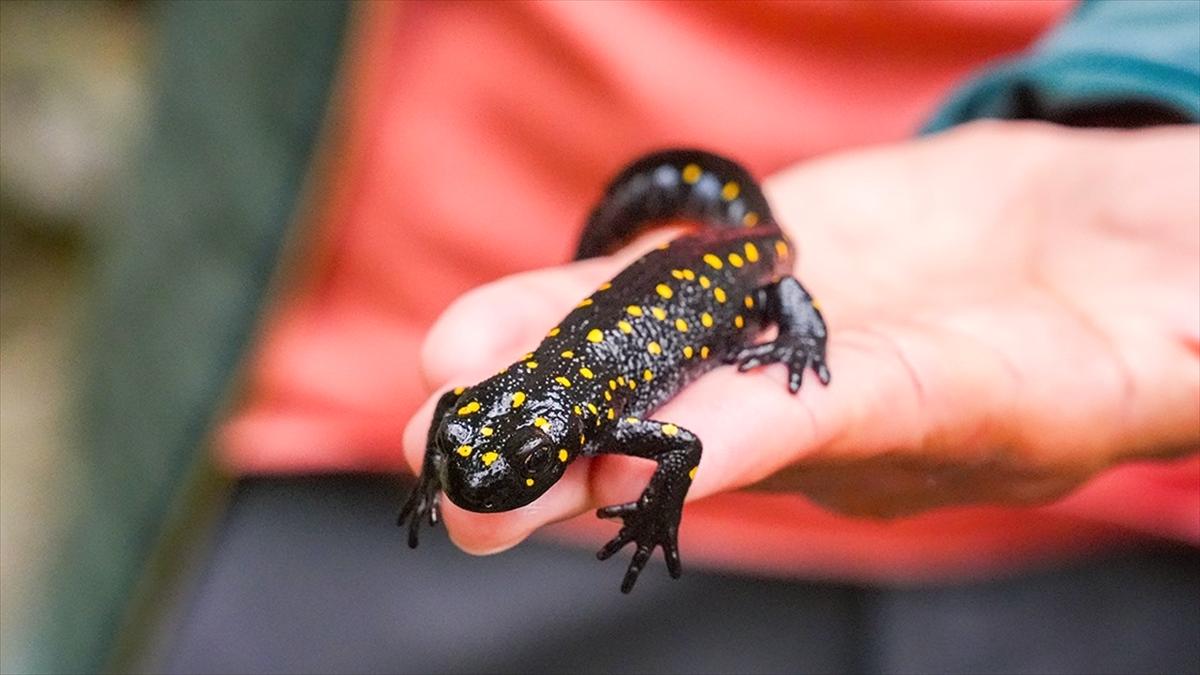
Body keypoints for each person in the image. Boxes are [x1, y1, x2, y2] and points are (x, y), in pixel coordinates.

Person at [41, 1, 1197, 672]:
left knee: (769, 270)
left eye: (500, 459)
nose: (489, 462)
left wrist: (785, 347)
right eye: (497, 456)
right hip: (325, 421)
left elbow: (682, 454)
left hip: (1119, 539)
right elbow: (472, 415)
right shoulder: (516, 400)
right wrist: (438, 472)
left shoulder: (669, 368)